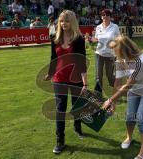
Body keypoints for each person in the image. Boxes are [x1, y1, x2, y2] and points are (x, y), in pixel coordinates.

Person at [102, 35, 143, 159]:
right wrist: (113, 103)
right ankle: (129, 137)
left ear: (125, 50)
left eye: (116, 51)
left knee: (141, 118)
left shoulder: (141, 61)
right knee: (129, 117)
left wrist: (110, 100)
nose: (114, 54)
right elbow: (118, 82)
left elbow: (127, 85)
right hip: (134, 90)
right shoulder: (120, 60)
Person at [44, 10, 87, 154]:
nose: (63, 24)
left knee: (76, 106)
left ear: (72, 22)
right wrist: (50, 74)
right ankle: (60, 141)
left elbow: (81, 62)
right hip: (59, 79)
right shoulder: (54, 38)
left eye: (67, 21)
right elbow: (53, 58)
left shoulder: (79, 39)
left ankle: (77, 127)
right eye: (61, 21)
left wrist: (85, 83)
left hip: (75, 79)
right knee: (60, 110)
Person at [92, 9, 120, 96]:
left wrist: (116, 46)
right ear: (101, 17)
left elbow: (119, 39)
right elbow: (95, 39)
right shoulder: (98, 27)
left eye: (107, 15)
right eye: (103, 15)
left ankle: (117, 89)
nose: (105, 17)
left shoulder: (115, 27)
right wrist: (91, 39)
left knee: (110, 76)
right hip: (99, 54)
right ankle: (98, 94)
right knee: (98, 75)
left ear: (110, 17)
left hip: (111, 55)